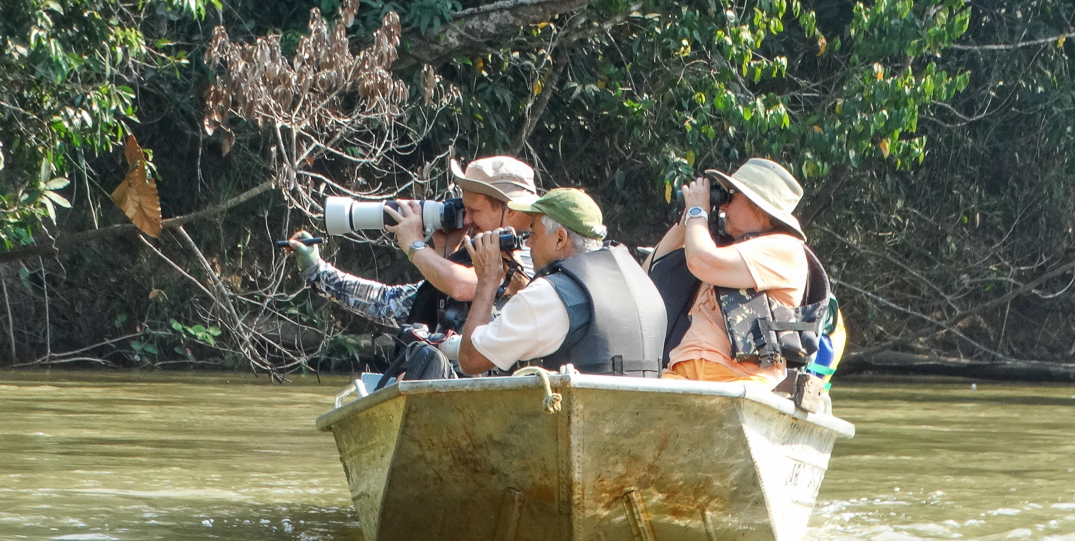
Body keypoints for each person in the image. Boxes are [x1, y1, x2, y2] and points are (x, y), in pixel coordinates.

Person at [285, 155, 537, 332]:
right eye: (464, 209)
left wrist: (415, 245)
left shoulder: (532, 252)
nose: (467, 220)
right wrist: (317, 270)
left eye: (474, 210)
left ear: (510, 210)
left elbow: (462, 285)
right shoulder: (486, 251)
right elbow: (389, 302)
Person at [457, 188, 667, 377]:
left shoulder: (549, 295)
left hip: (572, 418)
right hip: (636, 417)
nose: (528, 242)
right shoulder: (644, 286)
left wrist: (487, 279)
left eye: (534, 233)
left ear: (560, 238)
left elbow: (470, 360)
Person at [647, 158, 815, 387]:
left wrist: (698, 212)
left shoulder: (785, 248)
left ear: (759, 207)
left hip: (740, 381)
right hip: (682, 374)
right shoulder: (719, 249)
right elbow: (648, 273)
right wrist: (688, 218)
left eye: (732, 195)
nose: (723, 205)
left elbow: (701, 261)